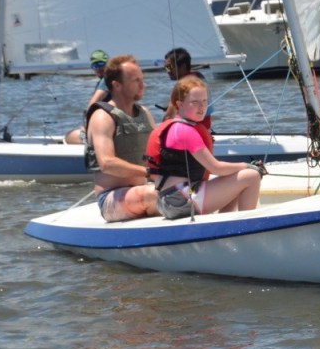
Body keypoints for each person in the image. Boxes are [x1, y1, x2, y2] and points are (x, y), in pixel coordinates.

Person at [145, 75, 262, 220]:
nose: (201, 107)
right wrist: (248, 166)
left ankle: (226, 224)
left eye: (204, 101)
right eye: (195, 102)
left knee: (234, 179)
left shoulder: (176, 126)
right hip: (179, 201)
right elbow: (216, 168)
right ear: (180, 104)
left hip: (168, 200)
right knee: (251, 176)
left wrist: (242, 168)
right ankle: (246, 225)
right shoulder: (185, 131)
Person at [85, 54, 159, 222]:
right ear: (117, 85)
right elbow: (107, 163)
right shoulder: (102, 117)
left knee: (190, 188)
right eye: (135, 80)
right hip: (111, 200)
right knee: (162, 195)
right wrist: (148, 172)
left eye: (142, 79)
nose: (143, 85)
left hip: (142, 189)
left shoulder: (145, 113)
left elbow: (158, 153)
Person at [64, 49, 111, 144]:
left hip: (105, 129)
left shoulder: (106, 80)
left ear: (108, 63)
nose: (98, 68)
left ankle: (89, 140)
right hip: (109, 125)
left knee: (68, 137)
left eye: (101, 64)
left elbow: (91, 106)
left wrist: (87, 128)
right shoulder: (117, 79)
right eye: (95, 66)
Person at [160, 47, 212, 130]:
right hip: (204, 128)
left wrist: (159, 132)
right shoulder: (199, 77)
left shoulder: (184, 85)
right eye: (166, 68)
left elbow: (168, 117)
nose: (168, 71)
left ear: (183, 66)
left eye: (170, 67)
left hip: (191, 130)